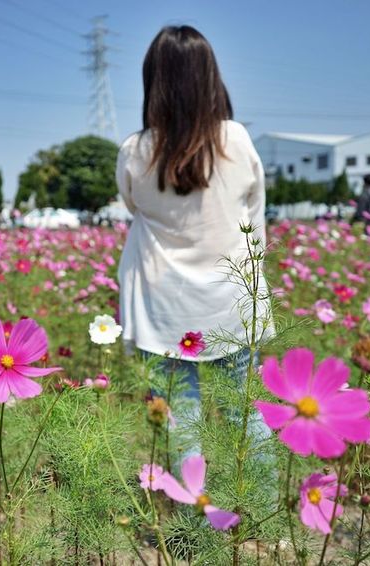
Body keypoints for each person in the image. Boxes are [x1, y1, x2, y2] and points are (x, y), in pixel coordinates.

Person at [116, 26, 270, 455]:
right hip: (233, 302)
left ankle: (194, 519)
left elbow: (134, 207)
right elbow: (254, 218)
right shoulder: (235, 139)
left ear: (154, 82)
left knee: (181, 418)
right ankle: (259, 514)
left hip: (161, 306)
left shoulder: (135, 150)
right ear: (210, 78)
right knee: (246, 414)